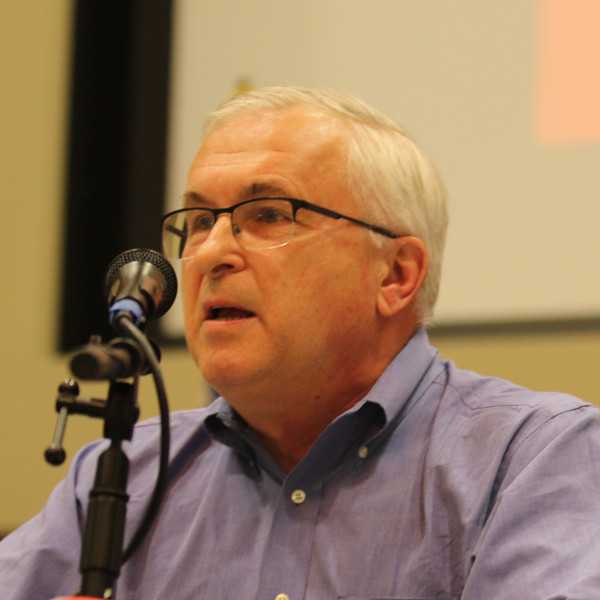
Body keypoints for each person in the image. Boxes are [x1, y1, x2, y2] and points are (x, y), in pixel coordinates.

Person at [1, 86, 600, 600]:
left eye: (269, 215)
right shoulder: (120, 477)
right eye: (201, 220)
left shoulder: (532, 459)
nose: (210, 252)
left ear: (394, 275)